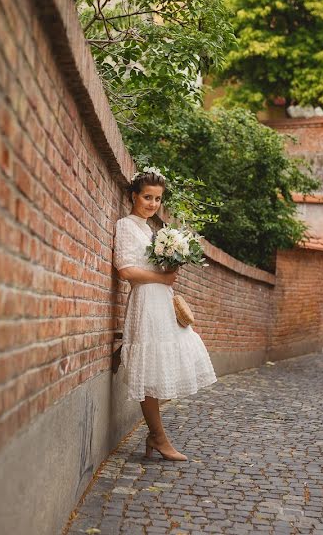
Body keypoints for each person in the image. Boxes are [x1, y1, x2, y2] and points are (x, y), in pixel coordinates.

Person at [113, 169, 217, 461]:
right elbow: (125, 271)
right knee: (149, 372)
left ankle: (155, 435)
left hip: (162, 302)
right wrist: (162, 278)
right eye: (147, 197)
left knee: (162, 368)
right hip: (145, 302)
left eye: (157, 199)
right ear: (134, 195)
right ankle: (158, 437)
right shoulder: (126, 226)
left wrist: (172, 265)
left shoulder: (150, 230)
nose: (152, 204)